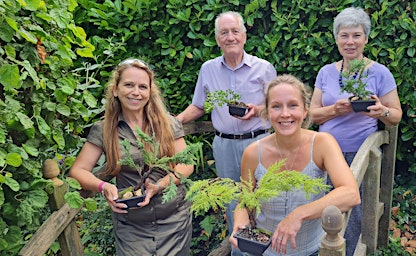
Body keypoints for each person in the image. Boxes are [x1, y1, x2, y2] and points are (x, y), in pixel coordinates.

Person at [69, 58, 194, 256]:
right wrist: (104, 187)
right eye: (129, 85)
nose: (136, 92)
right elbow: (77, 171)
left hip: (174, 219)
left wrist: (160, 185)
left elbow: (187, 165)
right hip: (132, 224)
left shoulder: (167, 123)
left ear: (150, 92)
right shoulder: (104, 129)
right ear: (115, 90)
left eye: (143, 87)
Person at [176, 11, 277, 255]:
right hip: (224, 146)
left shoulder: (264, 68)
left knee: (263, 199)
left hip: (259, 142)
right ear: (217, 38)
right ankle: (239, 250)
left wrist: (258, 109)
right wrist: (172, 122)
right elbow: (199, 106)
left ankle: (268, 250)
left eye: (234, 31)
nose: (230, 37)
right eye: (224, 32)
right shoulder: (208, 69)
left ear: (244, 36)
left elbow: (277, 105)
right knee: (232, 199)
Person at [229, 74, 361, 255]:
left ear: (306, 110)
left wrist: (299, 214)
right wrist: (240, 222)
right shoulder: (253, 153)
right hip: (265, 251)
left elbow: (351, 194)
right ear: (267, 112)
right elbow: (245, 201)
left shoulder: (322, 143)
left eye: (293, 105)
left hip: (312, 250)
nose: (285, 114)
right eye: (276, 106)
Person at [310, 7, 403, 256]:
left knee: (351, 214)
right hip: (322, 155)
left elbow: (395, 116)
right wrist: (335, 110)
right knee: (319, 206)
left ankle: (348, 252)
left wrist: (381, 111)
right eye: (344, 35)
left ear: (366, 38)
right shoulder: (325, 72)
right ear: (336, 38)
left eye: (356, 35)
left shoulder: (380, 72)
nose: (350, 41)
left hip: (358, 155)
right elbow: (312, 115)